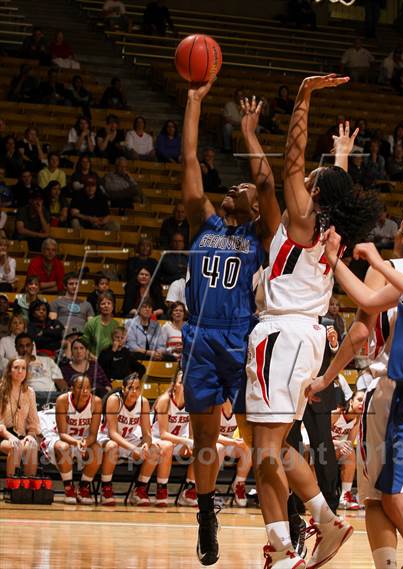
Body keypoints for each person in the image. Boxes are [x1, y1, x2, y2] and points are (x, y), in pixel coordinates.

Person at [245, 76, 379, 568]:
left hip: (282, 333)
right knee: (275, 449)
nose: (305, 180)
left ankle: (283, 549)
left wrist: (302, 99)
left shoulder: (303, 218)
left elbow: (293, 161)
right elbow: (331, 186)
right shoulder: (332, 226)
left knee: (263, 450)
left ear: (315, 192)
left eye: (314, 180)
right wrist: (342, 156)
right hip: (304, 337)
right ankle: (324, 520)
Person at [181, 80, 275, 566]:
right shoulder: (204, 222)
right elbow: (191, 161)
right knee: (203, 438)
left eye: (241, 187)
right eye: (231, 186)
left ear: (255, 207)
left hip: (239, 337)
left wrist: (248, 132)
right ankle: (205, 513)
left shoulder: (262, 232)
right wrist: (194, 102)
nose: (233, 187)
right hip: (198, 335)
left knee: (254, 435)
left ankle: (282, 512)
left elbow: (265, 182)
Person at [305, 212, 403, 569]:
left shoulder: (394, 267)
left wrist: (327, 378)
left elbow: (359, 331)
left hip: (394, 391)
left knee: (379, 497)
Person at [100, 370, 173, 506]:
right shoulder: (114, 400)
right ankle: (106, 488)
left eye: (137, 388)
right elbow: (113, 434)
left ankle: (139, 489)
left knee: (154, 450)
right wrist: (134, 448)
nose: (134, 391)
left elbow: (146, 433)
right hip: (107, 437)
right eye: (130, 388)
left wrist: (145, 444)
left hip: (129, 438)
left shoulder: (143, 402)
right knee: (112, 447)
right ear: (123, 388)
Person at [40, 375, 102, 504]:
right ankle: (69, 487)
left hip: (83, 439)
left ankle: (84, 487)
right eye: (80, 387)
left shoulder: (96, 402)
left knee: (97, 449)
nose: (85, 391)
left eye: (88, 388)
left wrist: (85, 443)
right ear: (72, 388)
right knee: (64, 447)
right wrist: (77, 443)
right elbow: (62, 433)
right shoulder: (63, 400)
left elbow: (93, 435)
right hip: (60, 436)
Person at [152, 369, 197, 506]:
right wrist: (186, 441)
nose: (185, 384)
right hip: (157, 438)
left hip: (178, 439)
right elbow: (163, 433)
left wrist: (190, 440)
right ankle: (161, 488)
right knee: (168, 446)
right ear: (174, 385)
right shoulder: (164, 400)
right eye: (181, 382)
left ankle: (189, 490)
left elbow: (191, 428)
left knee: (199, 448)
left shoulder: (192, 401)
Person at [0, 358, 40, 477]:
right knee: (15, 446)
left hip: (21, 434)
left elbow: (33, 421)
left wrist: (30, 434)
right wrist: (10, 436)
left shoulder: (29, 392)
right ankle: (13, 488)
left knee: (32, 445)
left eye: (23, 368)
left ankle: (29, 488)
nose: (20, 371)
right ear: (9, 371)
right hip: (3, 436)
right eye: (16, 368)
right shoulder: (1, 389)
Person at [331, 390, 364, 510]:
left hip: (333, 449)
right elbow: (320, 436)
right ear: (350, 401)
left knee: (349, 451)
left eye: (365, 401)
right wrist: (338, 443)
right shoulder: (336, 413)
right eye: (359, 400)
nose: (362, 403)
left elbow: (349, 443)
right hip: (318, 447)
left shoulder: (357, 419)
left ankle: (345, 496)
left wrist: (342, 446)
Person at [217, 398, 252, 508]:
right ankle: (210, 487)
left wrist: (243, 440)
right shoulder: (215, 407)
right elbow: (211, 434)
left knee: (249, 448)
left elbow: (245, 431)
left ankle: (239, 484)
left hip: (232, 445)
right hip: (215, 444)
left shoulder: (240, 408)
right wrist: (233, 441)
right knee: (219, 448)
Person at [15, 332, 66, 406]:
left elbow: (59, 380)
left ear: (32, 347)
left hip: (51, 395)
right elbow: (16, 384)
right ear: (16, 348)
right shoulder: (13, 364)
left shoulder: (47, 360)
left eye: (28, 345)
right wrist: (24, 363)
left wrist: (64, 392)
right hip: (29, 398)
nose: (25, 349)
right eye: (21, 346)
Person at [81, 292, 119, 357]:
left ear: (112, 307)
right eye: (103, 304)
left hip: (110, 359)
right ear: (99, 307)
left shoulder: (116, 324)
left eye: (109, 303)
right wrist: (93, 358)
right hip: (93, 359)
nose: (106, 306)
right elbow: (83, 345)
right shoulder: (91, 323)